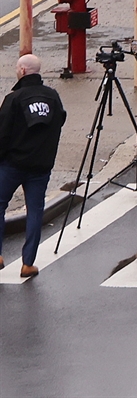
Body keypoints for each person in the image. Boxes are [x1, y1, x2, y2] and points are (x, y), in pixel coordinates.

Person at [0, 53, 66, 278]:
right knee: (35, 211)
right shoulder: (53, 97)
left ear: (22, 71)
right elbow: (60, 121)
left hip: (13, 164)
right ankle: (28, 263)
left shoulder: (14, 99)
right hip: (40, 166)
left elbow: (3, 133)